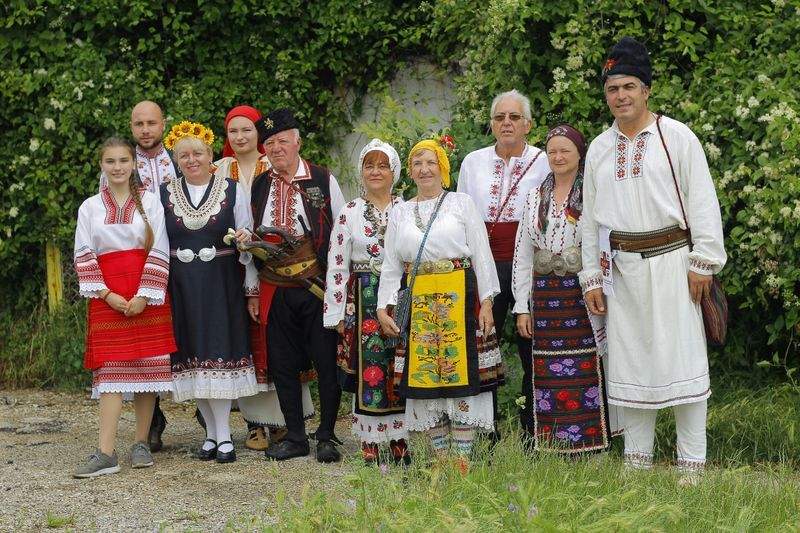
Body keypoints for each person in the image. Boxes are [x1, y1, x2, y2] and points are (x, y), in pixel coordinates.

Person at [579, 37, 726, 479]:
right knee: (630, 366)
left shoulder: (676, 137)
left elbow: (703, 201)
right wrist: (591, 278)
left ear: (646, 89)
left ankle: (691, 468)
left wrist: (704, 261)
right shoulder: (600, 149)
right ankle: (636, 465)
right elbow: (590, 221)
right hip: (621, 273)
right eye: (612, 88)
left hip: (674, 267)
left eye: (628, 86)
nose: (620, 96)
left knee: (683, 363)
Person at [376, 138, 502, 473]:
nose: (424, 169)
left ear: (442, 168)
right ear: (410, 171)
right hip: (417, 301)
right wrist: (382, 307)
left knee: (459, 375)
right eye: (417, 163)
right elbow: (391, 263)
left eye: (430, 162)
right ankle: (440, 459)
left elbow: (481, 253)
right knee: (426, 380)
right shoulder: (400, 210)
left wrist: (486, 302)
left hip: (458, 297)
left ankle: (461, 459)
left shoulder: (461, 204)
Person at [512, 124, 620, 453]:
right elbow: (523, 253)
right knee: (546, 368)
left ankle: (592, 442)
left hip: (581, 290)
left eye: (565, 151)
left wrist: (601, 283)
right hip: (544, 294)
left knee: (589, 363)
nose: (558, 157)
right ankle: (551, 442)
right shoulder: (534, 197)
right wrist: (521, 305)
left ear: (579, 154)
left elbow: (604, 244)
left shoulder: (592, 194)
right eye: (552, 151)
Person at [72, 137, 176, 478]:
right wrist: (107, 294)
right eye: (110, 161)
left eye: (123, 161)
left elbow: (160, 247)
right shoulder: (89, 207)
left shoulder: (150, 202)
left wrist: (145, 294)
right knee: (112, 372)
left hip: (147, 291)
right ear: (102, 165)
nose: (117, 167)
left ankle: (141, 442)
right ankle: (105, 452)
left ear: (133, 164)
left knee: (146, 370)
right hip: (108, 294)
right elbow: (83, 253)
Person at [214, 105, 314, 451]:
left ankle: (288, 422)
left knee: (280, 347)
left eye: (247, 130)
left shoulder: (274, 165)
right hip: (233, 271)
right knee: (248, 347)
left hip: (276, 271)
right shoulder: (218, 170)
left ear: (260, 136)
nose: (240, 137)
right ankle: (255, 422)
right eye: (233, 131)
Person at [250, 109, 346, 463]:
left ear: (297, 142)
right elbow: (250, 237)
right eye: (270, 143)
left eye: (282, 141)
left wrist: (340, 289)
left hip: (315, 285)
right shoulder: (259, 185)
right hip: (274, 286)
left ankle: (327, 435)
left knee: (325, 360)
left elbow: (340, 235)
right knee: (283, 363)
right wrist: (252, 289)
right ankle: (295, 435)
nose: (276, 148)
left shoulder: (322, 179)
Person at [161, 120, 259, 463]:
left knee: (217, 354)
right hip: (183, 286)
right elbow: (158, 243)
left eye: (198, 153)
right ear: (176, 159)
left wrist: (251, 285)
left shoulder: (232, 188)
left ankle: (225, 436)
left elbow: (246, 235)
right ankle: (211, 435)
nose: (191, 160)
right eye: (184, 155)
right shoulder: (164, 192)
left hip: (221, 283)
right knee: (192, 357)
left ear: (210, 155)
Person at [457, 90, 550, 433]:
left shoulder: (544, 160)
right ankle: (485, 429)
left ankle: (534, 430)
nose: (506, 123)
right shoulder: (473, 162)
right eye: (500, 118)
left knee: (533, 346)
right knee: (483, 346)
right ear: (492, 124)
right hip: (485, 264)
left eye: (514, 117)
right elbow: (463, 217)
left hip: (530, 264)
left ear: (528, 124)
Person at [324, 139, 408, 464]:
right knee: (369, 368)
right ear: (361, 172)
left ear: (394, 172)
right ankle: (371, 440)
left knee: (399, 364)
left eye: (382, 165)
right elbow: (336, 262)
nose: (375, 171)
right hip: (364, 296)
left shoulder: (406, 209)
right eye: (369, 165)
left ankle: (400, 437)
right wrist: (337, 310)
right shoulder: (350, 212)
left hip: (399, 294)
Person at [126, 100, 179, 452]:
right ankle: (154, 419)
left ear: (163, 125)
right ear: (132, 127)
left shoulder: (180, 158)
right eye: (139, 124)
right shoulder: (120, 163)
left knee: (185, 330)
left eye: (151, 123)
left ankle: (206, 410)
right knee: (149, 342)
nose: (145, 130)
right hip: (142, 260)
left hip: (182, 256)